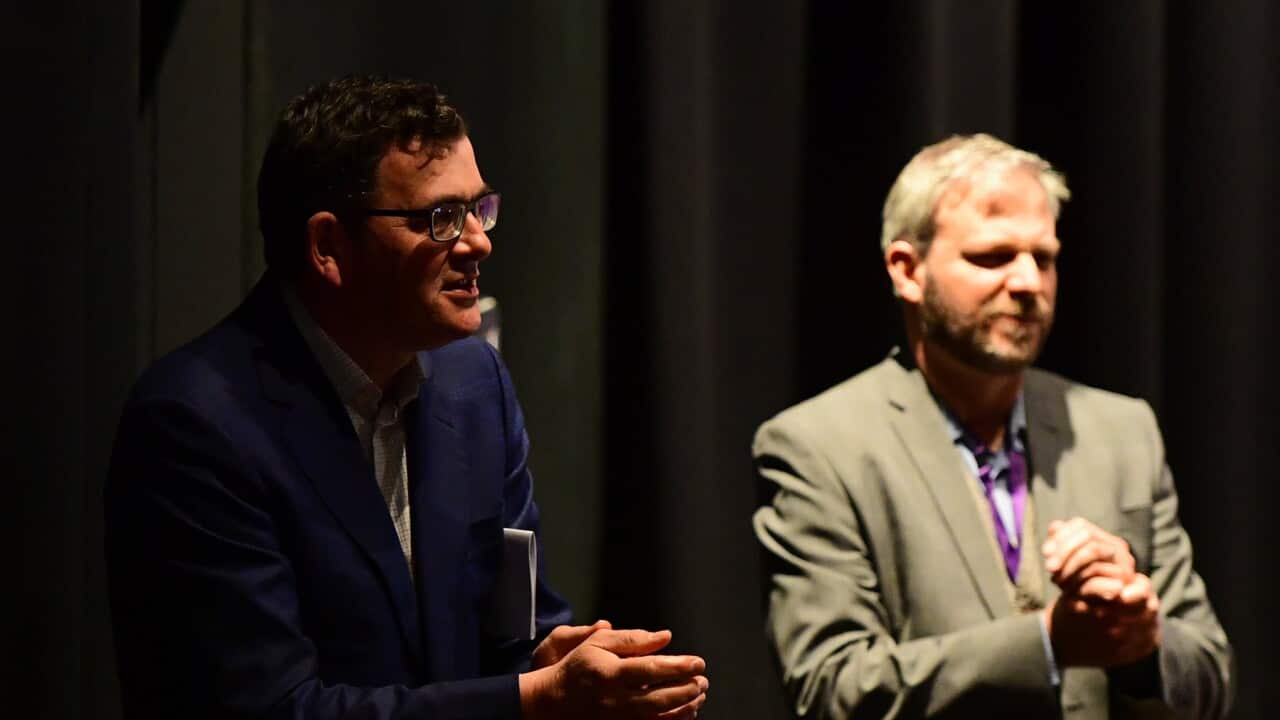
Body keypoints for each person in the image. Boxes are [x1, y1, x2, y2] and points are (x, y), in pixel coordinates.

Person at [106, 75, 708, 720]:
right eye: (441, 218)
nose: (479, 241)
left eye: (480, 208)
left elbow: (509, 630)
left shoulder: (473, 382)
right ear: (328, 247)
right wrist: (535, 698)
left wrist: (552, 659)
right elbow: (267, 707)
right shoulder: (195, 424)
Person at [752, 134, 1232, 719]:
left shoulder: (1122, 430)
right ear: (907, 270)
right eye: (993, 257)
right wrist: (1046, 645)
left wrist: (1142, 643)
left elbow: (1211, 674)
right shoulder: (819, 447)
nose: (1029, 283)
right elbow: (831, 688)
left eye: (1045, 257)